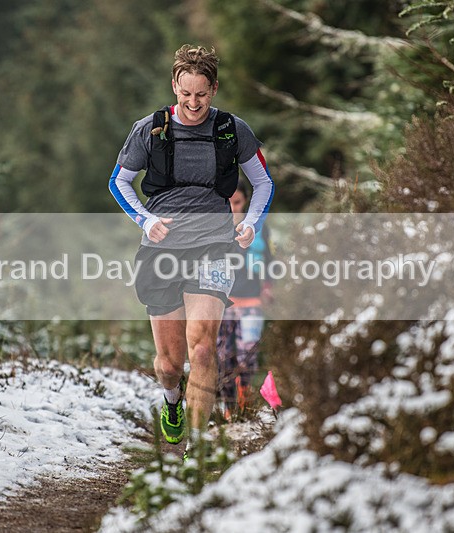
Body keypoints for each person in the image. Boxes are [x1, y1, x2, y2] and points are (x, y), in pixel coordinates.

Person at [109, 44, 274, 455]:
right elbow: (119, 181)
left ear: (214, 89)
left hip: (215, 245)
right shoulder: (150, 129)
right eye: (186, 94)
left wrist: (250, 224)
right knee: (169, 364)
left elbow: (263, 183)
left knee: (202, 349)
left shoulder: (232, 130)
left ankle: (195, 452)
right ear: (174, 86)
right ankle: (172, 400)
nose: (194, 103)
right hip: (162, 249)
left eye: (201, 94)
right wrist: (146, 221)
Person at [216, 179, 273, 421]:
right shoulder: (215, 227)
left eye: (237, 202)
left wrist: (268, 286)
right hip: (222, 303)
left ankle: (244, 402)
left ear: (246, 201)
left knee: (247, 356)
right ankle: (228, 410)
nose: (233, 208)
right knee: (223, 358)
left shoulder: (259, 227)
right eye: (228, 202)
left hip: (251, 303)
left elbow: (269, 259)